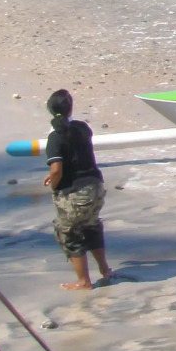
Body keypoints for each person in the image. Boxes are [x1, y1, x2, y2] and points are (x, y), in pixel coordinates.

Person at [41, 89, 111, 290]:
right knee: (92, 227)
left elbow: (56, 169)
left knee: (70, 234)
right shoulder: (83, 128)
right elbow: (77, 155)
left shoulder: (55, 137)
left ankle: (83, 281)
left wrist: (54, 186)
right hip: (95, 187)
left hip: (75, 192)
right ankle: (105, 269)